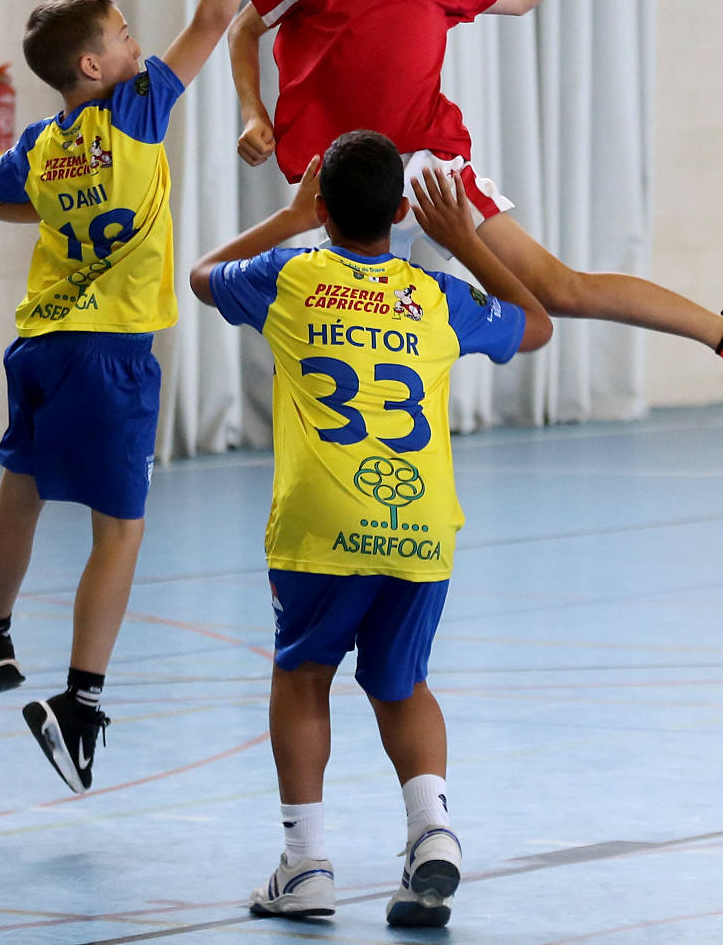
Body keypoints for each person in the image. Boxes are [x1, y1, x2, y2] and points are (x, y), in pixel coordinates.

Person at [229, 0, 723, 420]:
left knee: (556, 289)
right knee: (354, 339)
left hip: (426, 173)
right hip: (346, 186)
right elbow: (243, 29)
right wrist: (252, 111)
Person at [0, 0, 273, 794]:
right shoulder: (134, 110)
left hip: (40, 341)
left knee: (21, 486)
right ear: (97, 64)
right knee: (120, 530)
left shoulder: (41, 142)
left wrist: (53, 210)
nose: (142, 43)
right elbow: (217, 18)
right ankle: (82, 702)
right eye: (127, 33)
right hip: (110, 351)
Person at [190, 129, 552, 927]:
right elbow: (536, 323)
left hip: (321, 524)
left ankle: (305, 863)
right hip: (420, 525)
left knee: (303, 673)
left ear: (322, 207)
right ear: (399, 210)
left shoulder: (288, 274)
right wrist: (462, 242)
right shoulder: (437, 294)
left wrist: (286, 222)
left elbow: (200, 277)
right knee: (400, 682)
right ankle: (434, 833)